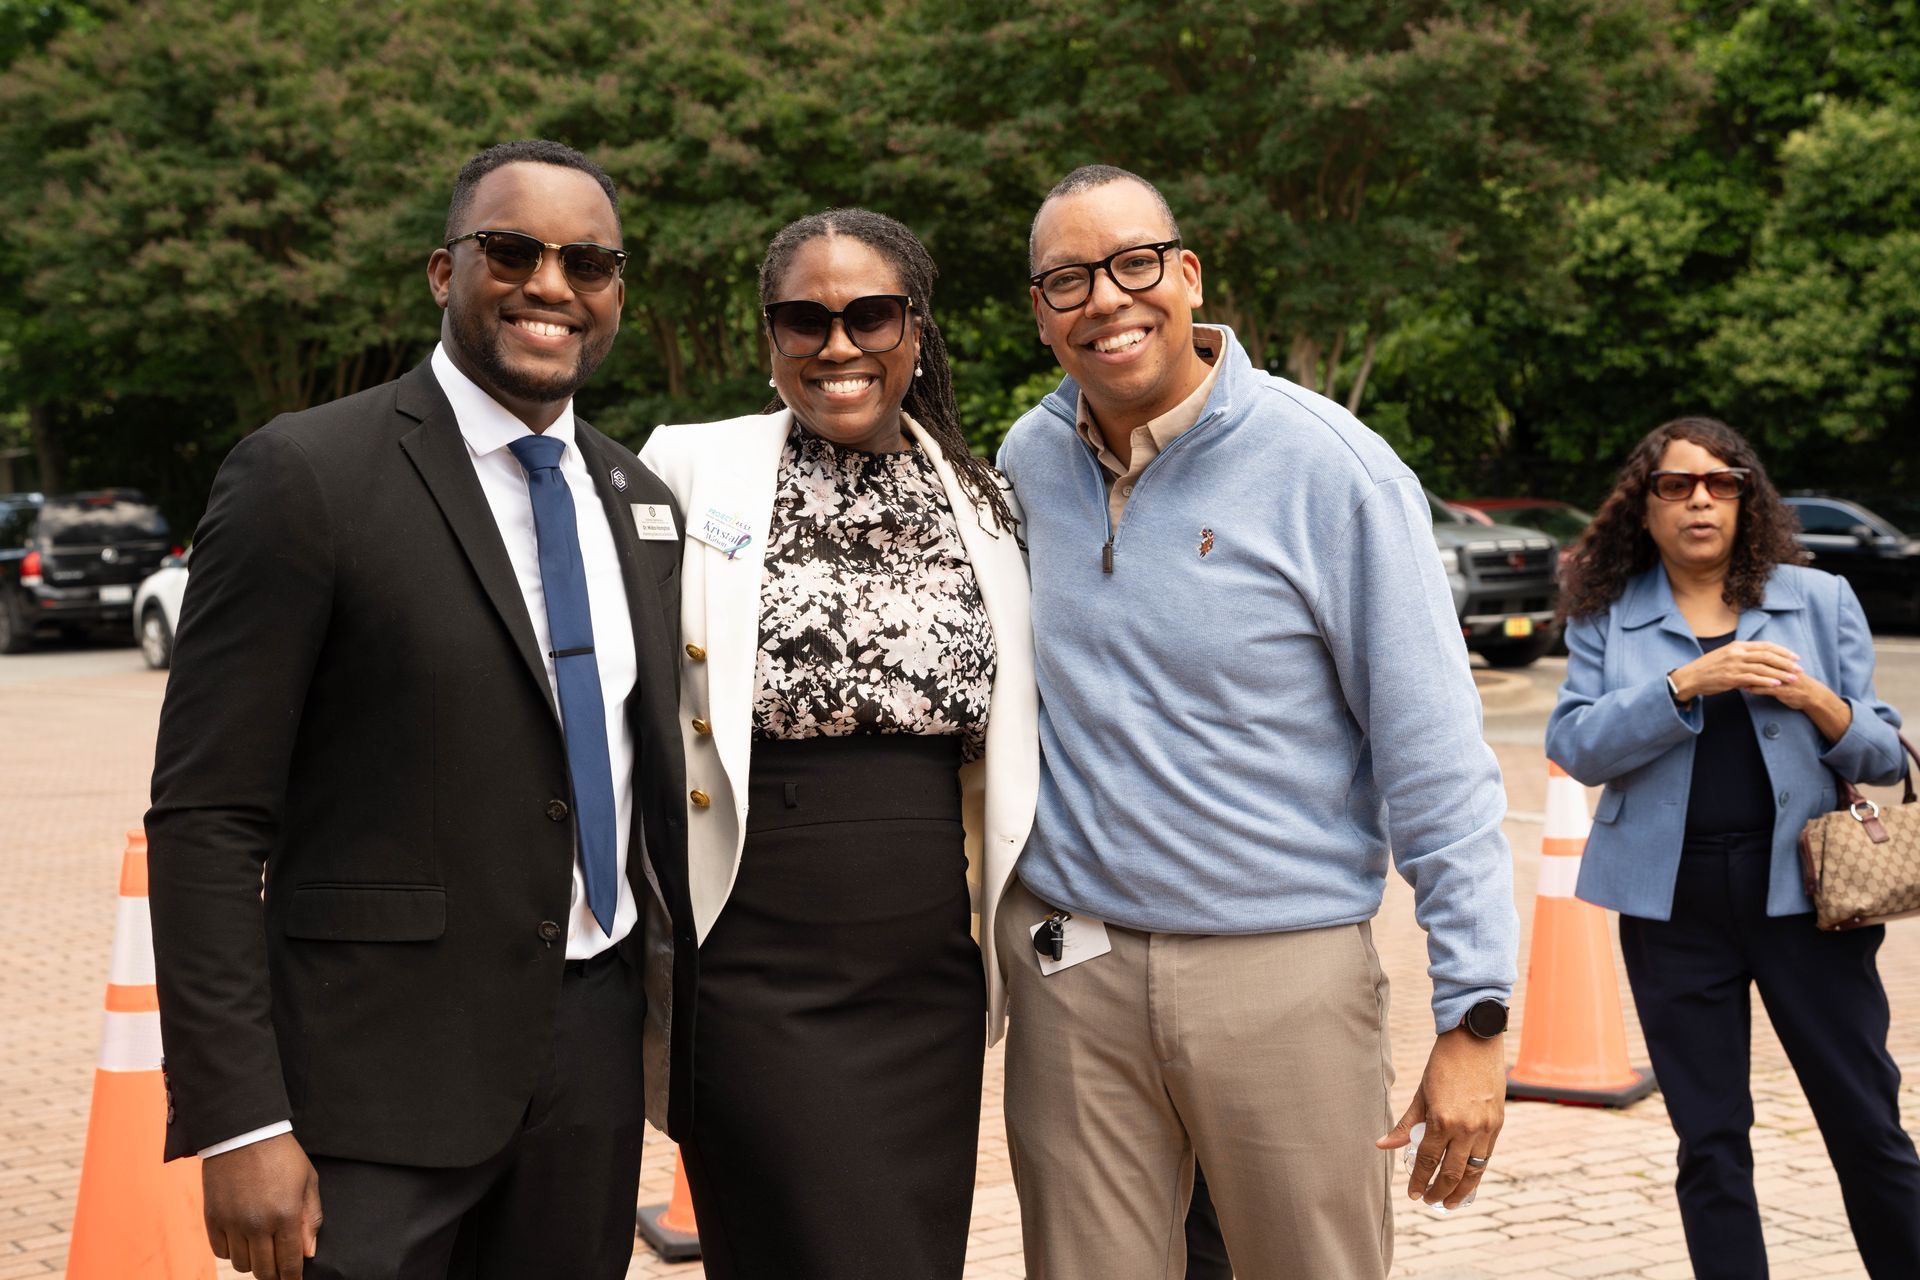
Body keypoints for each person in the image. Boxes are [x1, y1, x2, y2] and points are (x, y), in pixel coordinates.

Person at [145, 139, 696, 1280]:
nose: (552, 283)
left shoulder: (635, 496)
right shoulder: (304, 475)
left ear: (617, 297)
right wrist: (239, 1118)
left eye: (587, 262)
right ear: (443, 273)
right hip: (370, 1088)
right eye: (512, 250)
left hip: (586, 1066)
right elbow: (206, 815)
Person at [993, 163, 1517, 1279]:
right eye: (1069, 279)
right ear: (1041, 314)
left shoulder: (1333, 470)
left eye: (1134, 263)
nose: (1108, 299)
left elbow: (1434, 757)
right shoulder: (1025, 460)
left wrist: (1476, 1016)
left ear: (1187, 274)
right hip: (1073, 970)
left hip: (1280, 968)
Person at [638, 208, 1037, 1279]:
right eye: (803, 319)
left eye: (871, 314)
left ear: (917, 329)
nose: (838, 344)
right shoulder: (689, 467)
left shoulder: (986, 501)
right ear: (770, 338)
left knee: (909, 1250)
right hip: (753, 955)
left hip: (924, 970)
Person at [1546, 416, 1920, 1279]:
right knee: (1710, 1140)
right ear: (1644, 509)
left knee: (1866, 1122)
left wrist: (1819, 702)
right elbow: (1574, 746)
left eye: (1721, 482)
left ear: (1749, 501)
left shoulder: (1819, 601)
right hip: (1672, 906)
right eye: (1675, 486)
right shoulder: (1610, 615)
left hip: (1811, 898)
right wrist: (1686, 682)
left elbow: (1879, 753)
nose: (1699, 499)